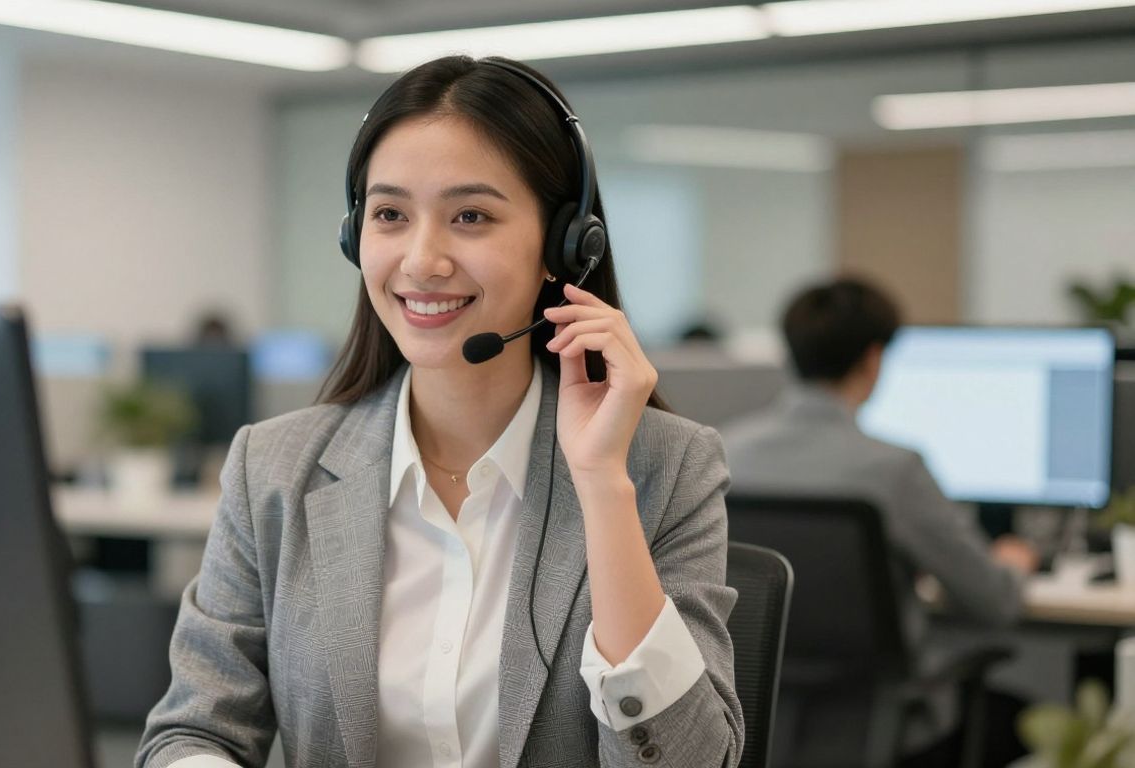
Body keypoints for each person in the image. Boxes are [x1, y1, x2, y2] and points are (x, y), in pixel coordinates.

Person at [136, 56, 743, 768]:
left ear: (564, 246)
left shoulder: (666, 467)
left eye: (471, 216)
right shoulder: (272, 471)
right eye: (390, 214)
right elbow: (195, 730)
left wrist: (603, 484)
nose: (422, 260)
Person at [721, 276, 1038, 767]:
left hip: (757, 721)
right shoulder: (893, 470)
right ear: (874, 358)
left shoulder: (722, 452)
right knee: (1024, 720)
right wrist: (1014, 563)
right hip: (882, 726)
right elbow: (993, 602)